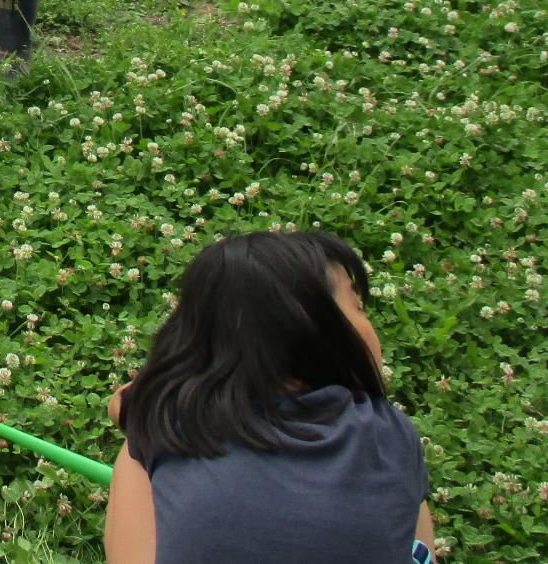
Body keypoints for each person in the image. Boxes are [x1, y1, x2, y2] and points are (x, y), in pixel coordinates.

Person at [102, 230, 437, 564]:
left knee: (137, 450)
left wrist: (139, 418)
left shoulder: (173, 425)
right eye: (359, 307)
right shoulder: (388, 433)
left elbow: (127, 402)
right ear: (311, 330)